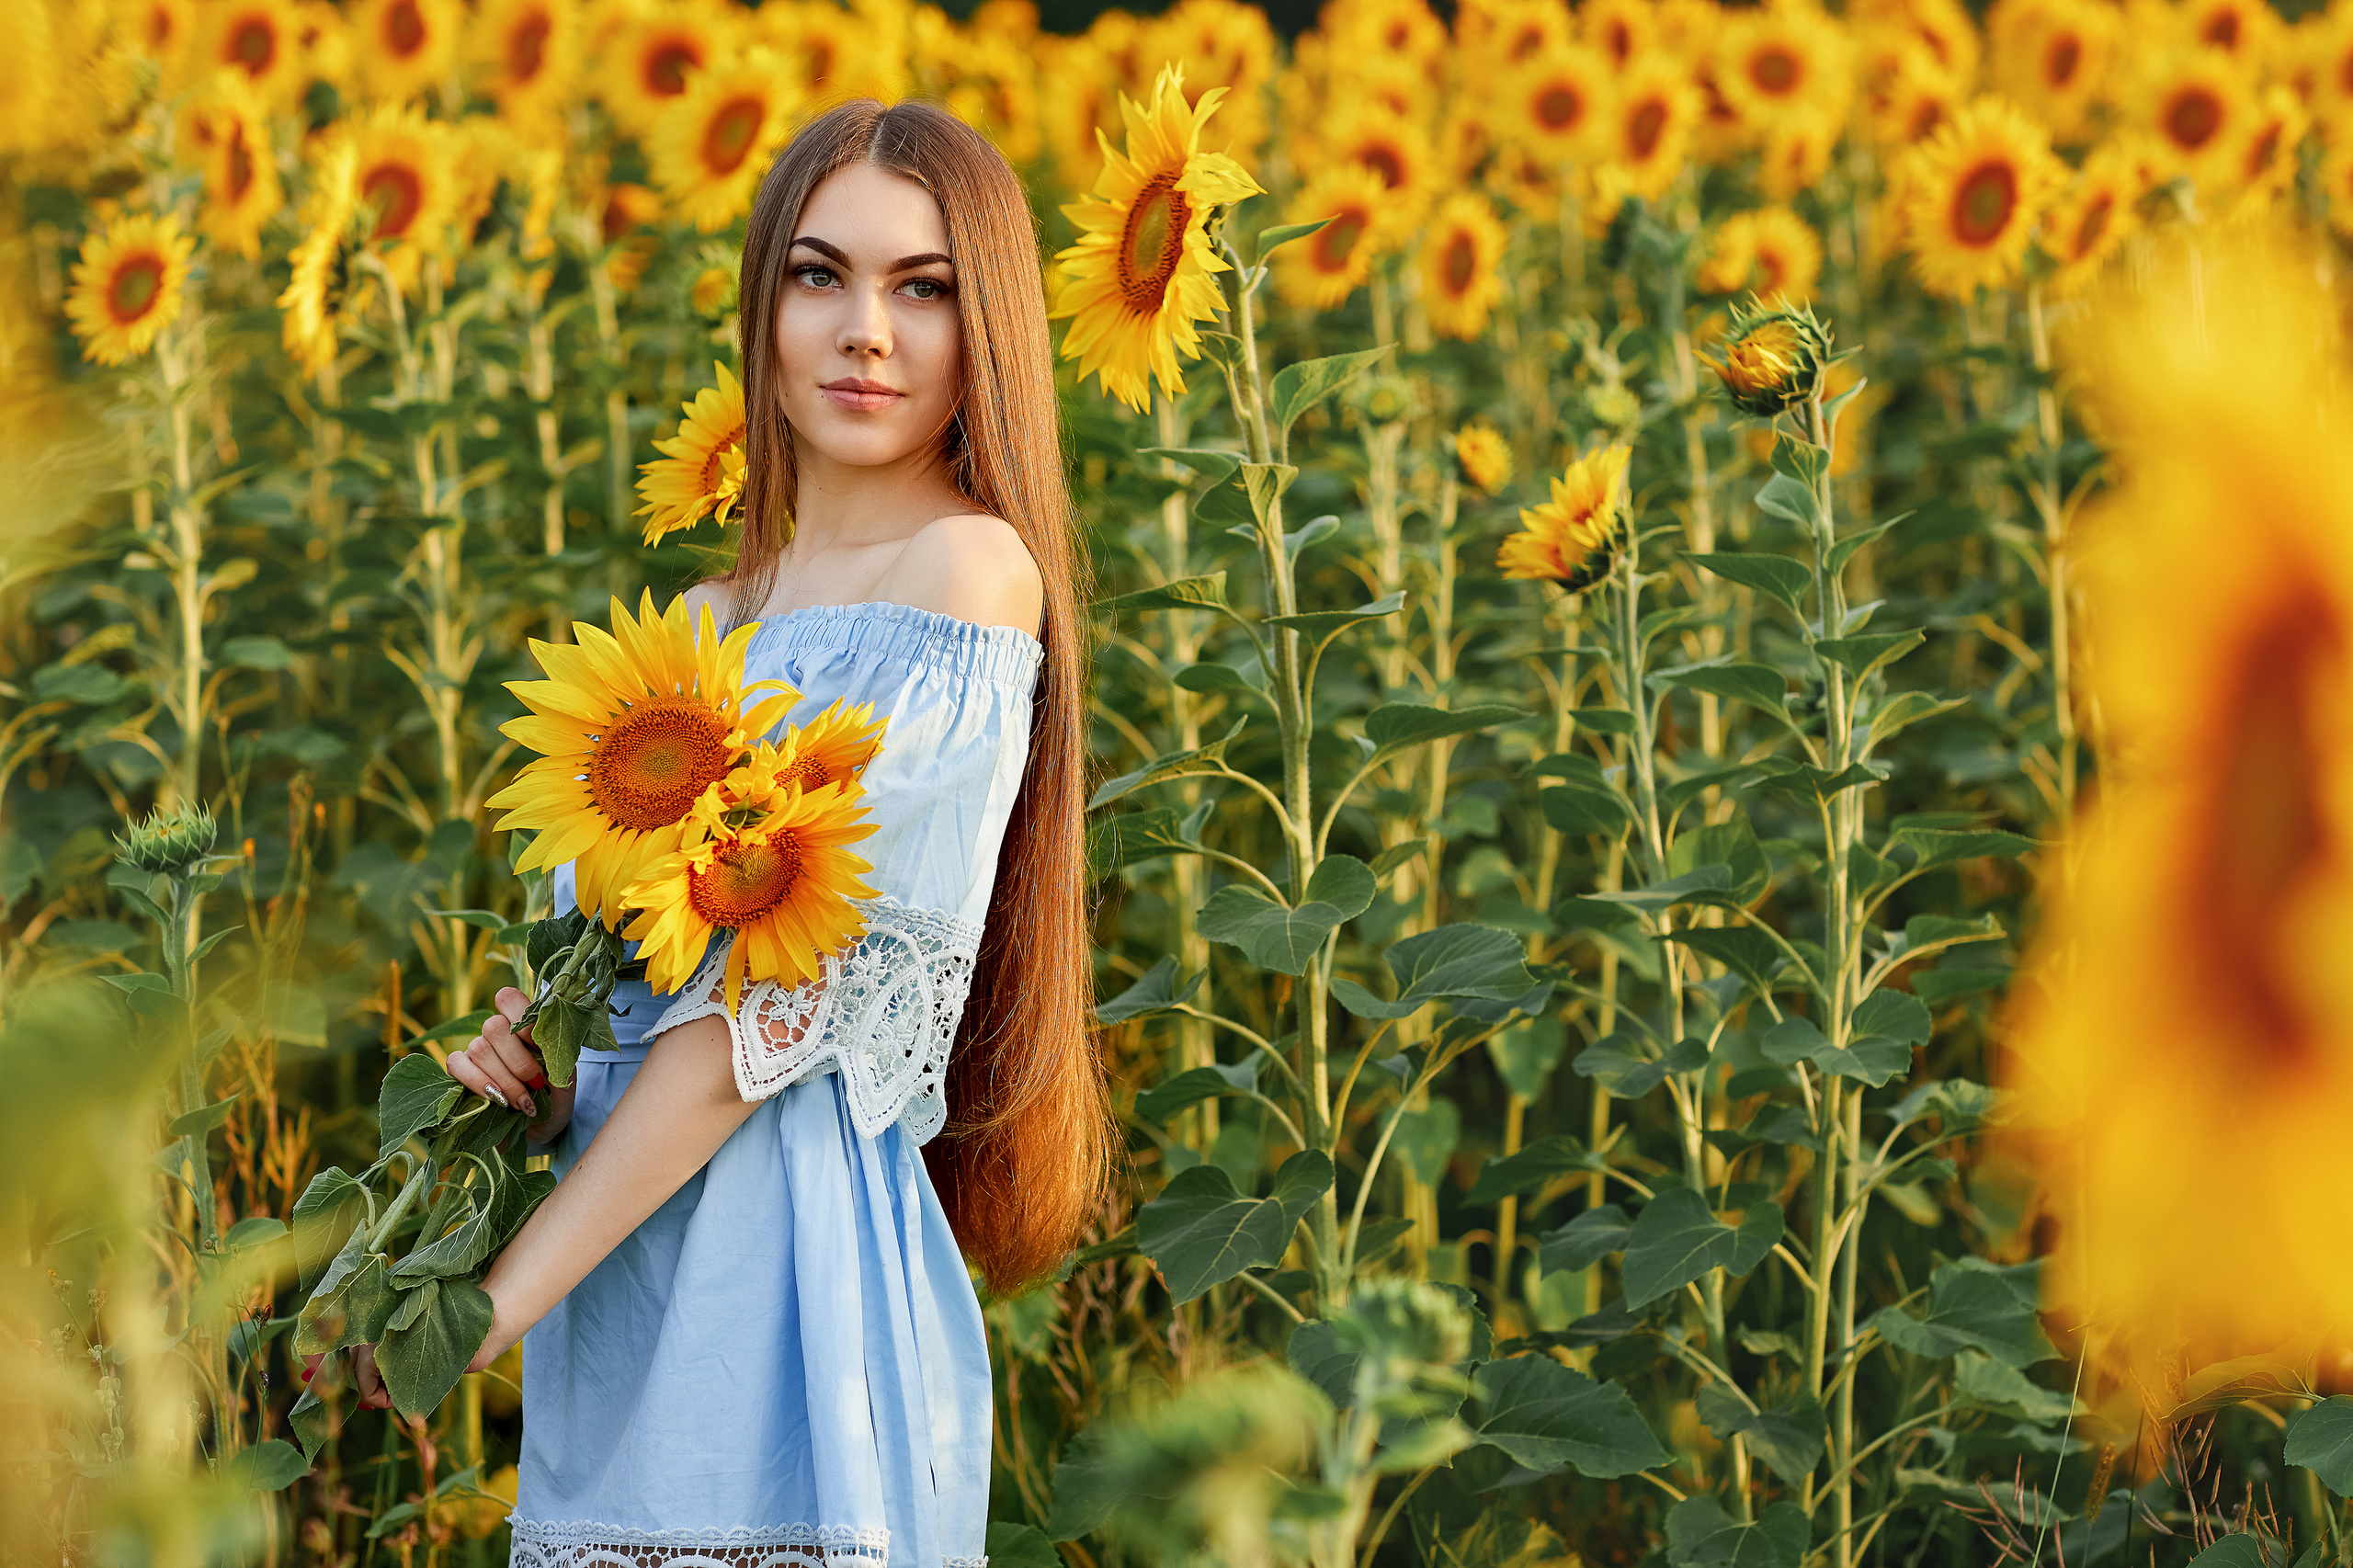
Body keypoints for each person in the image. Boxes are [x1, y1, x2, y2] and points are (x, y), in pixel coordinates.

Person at [313, 98, 1112, 1568]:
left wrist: (501, 1295)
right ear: (764, 305)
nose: (865, 330)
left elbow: (770, 1013)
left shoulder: (968, 576)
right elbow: (631, 1002)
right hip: (628, 1306)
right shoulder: (694, 630)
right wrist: (538, 1071)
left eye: (920, 287)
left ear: (984, 315)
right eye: (820, 275)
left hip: (789, 1305)